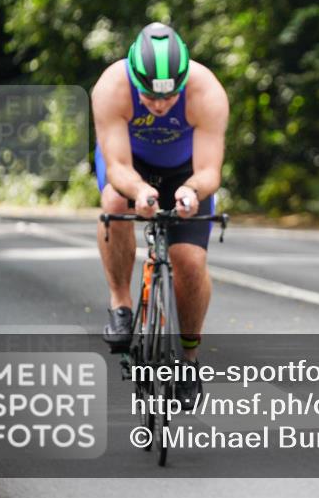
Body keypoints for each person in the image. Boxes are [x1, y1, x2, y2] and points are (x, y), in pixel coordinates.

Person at [92, 22, 229, 403]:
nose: (159, 104)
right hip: (129, 165)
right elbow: (116, 164)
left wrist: (190, 191)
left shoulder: (207, 91)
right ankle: (120, 303)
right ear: (134, 78)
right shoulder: (111, 87)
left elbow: (209, 172)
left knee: (188, 260)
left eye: (168, 98)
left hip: (186, 172)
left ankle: (188, 358)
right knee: (115, 203)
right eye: (149, 95)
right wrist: (138, 190)